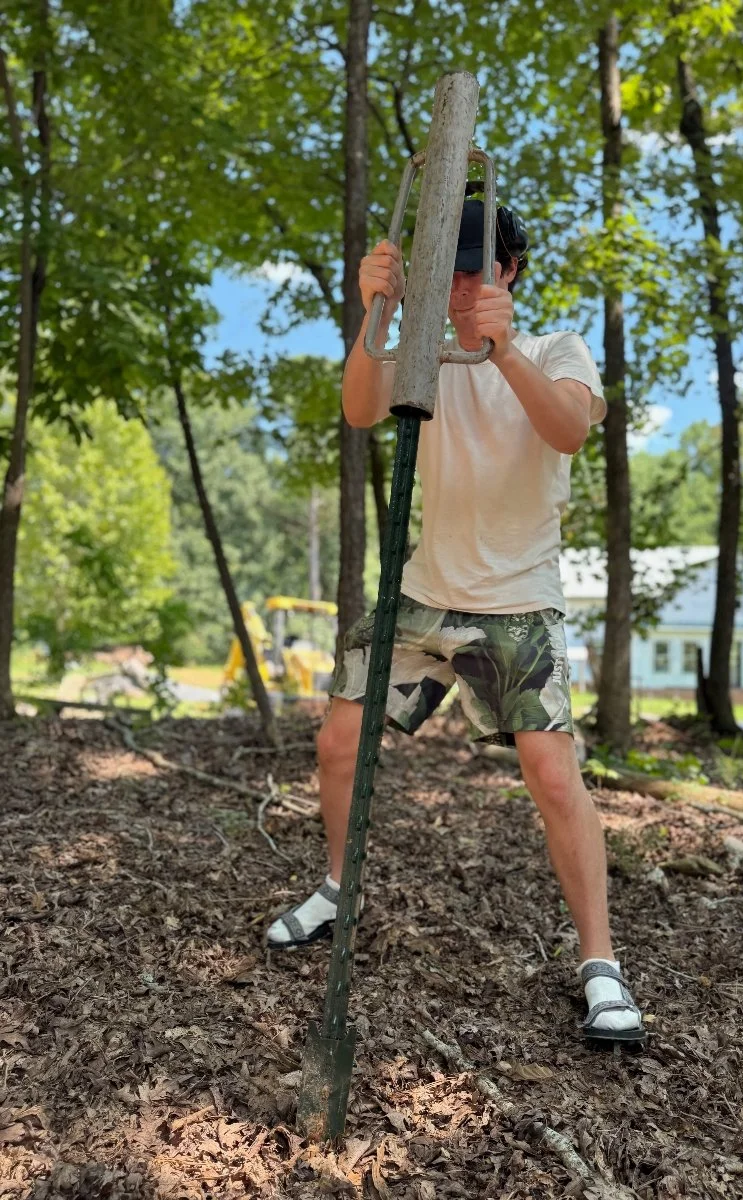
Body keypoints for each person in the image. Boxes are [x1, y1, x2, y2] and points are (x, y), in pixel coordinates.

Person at [266, 196, 645, 1047]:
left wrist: (502, 346)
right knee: (336, 740)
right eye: (448, 269)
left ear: (510, 271)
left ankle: (601, 964)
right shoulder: (420, 355)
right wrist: (381, 308)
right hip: (422, 596)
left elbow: (569, 428)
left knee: (553, 776)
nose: (462, 283)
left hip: (516, 604)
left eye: (476, 267)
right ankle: (337, 889)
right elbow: (360, 410)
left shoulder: (557, 350)